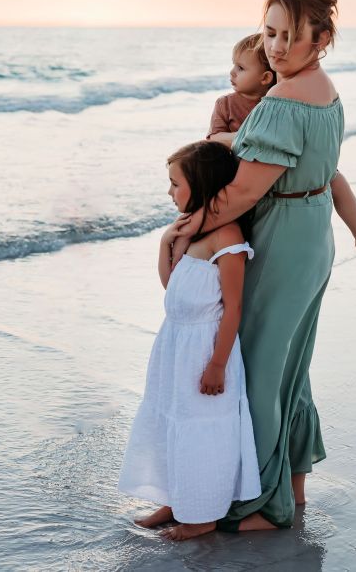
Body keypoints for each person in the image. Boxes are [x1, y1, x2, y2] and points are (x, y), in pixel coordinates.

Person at [173, 0, 355, 533]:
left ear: (319, 39)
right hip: (313, 232)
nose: (274, 47)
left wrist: (187, 230)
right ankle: (290, 485)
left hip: (282, 238)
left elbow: (246, 191)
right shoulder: (326, 92)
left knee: (257, 367)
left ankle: (259, 503)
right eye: (269, 33)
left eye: (288, 36)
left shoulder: (281, 100)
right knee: (288, 367)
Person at [118, 140, 262, 541]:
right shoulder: (192, 233)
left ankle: (202, 515)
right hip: (174, 346)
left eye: (174, 184)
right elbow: (173, 291)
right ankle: (175, 498)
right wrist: (167, 243)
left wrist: (217, 365)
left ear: (201, 185)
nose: (169, 192)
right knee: (170, 423)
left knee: (201, 432)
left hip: (204, 349)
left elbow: (232, 309)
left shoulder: (227, 238)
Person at [208, 34, 356, 268]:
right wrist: (250, 136)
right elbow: (213, 139)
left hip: (285, 175)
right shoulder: (225, 104)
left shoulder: (281, 103)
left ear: (265, 77)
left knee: (335, 178)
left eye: (240, 67)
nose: (232, 73)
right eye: (233, 65)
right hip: (244, 176)